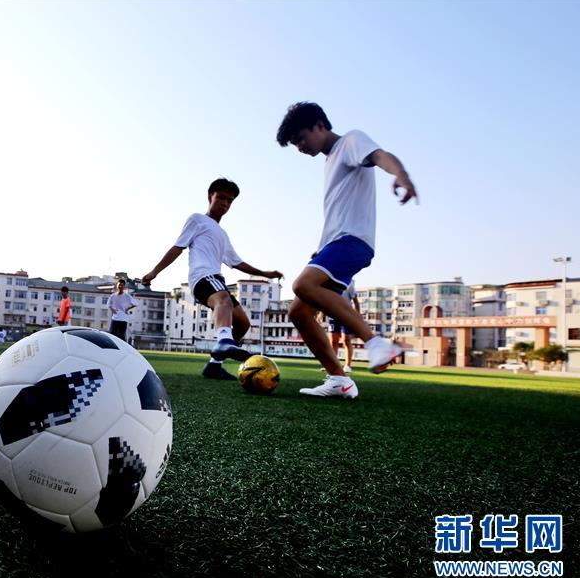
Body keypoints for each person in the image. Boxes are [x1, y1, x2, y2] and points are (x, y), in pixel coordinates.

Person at [276, 101, 416, 398]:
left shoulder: (350, 141)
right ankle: (339, 380)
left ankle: (376, 343)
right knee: (298, 313)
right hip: (332, 244)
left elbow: (379, 155)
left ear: (319, 125)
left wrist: (400, 174)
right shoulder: (330, 161)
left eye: (300, 138)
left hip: (353, 240)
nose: (300, 147)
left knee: (302, 285)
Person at [142, 178, 283, 380]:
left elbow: (236, 262)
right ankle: (224, 341)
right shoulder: (197, 220)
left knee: (243, 324)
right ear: (210, 196)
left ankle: (214, 365)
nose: (225, 203)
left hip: (216, 280)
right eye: (221, 197)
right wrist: (154, 272)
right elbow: (178, 247)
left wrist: (265, 274)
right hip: (202, 277)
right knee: (224, 299)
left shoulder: (222, 234)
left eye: (230, 200)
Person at [321, 280, 360, 374]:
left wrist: (357, 317)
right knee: (333, 341)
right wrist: (321, 313)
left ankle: (347, 365)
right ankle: (332, 365)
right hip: (333, 315)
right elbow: (325, 301)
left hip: (346, 315)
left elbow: (356, 302)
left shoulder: (349, 285)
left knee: (346, 340)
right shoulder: (330, 284)